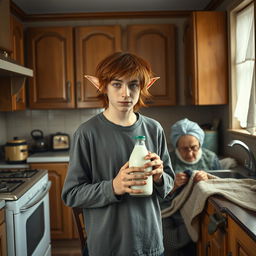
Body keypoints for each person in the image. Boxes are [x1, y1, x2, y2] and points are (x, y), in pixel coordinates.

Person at [61, 52, 175, 256]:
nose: (126, 93)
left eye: (133, 85)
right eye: (116, 84)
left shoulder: (154, 129)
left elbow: (168, 185)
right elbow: (72, 194)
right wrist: (113, 187)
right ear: (103, 87)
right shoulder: (86, 134)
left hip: (150, 245)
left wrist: (159, 178)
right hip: (107, 247)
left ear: (143, 87)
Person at [161, 118, 221, 256]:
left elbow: (220, 186)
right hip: (171, 211)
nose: (189, 154)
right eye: (184, 149)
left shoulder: (211, 159)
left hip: (199, 210)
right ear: (176, 146)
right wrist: (172, 186)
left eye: (194, 148)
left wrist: (208, 180)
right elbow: (158, 196)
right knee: (170, 243)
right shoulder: (168, 161)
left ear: (200, 143)